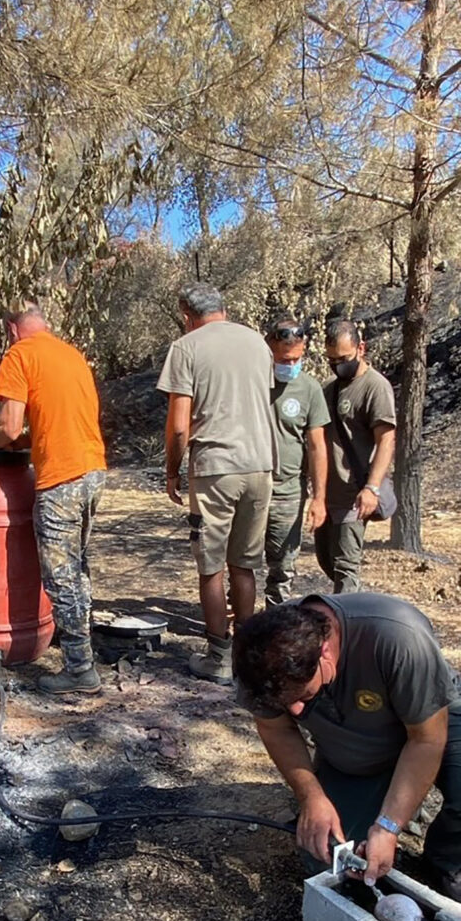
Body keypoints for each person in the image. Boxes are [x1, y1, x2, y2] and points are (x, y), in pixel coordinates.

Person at [230, 594, 461, 918]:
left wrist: (387, 826)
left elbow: (426, 740)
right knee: (328, 858)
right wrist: (311, 796)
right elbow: (276, 730)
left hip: (431, 720)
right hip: (354, 742)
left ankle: (450, 861)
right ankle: (379, 792)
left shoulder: (397, 638)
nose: (296, 710)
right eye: (287, 703)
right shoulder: (258, 659)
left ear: (325, 651)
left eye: (304, 696)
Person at [0, 299, 108, 693]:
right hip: (92, 469)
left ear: (11, 328)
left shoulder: (20, 354)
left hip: (60, 478)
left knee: (60, 575)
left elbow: (8, 428)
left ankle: (80, 669)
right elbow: (55, 420)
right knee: (76, 568)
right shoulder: (71, 355)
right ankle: (81, 649)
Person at [158, 283, 276, 684]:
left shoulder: (187, 347)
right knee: (244, 564)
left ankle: (219, 657)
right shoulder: (259, 343)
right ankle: (247, 653)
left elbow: (178, 427)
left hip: (215, 467)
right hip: (261, 465)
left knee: (211, 567)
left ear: (187, 314)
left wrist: (173, 470)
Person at [314, 319, 396, 596]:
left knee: (346, 569)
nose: (338, 365)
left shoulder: (375, 387)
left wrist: (371, 488)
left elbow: (386, 440)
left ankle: (349, 628)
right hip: (328, 495)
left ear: (361, 348)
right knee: (327, 560)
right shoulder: (328, 388)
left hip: (354, 495)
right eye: (331, 360)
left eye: (344, 358)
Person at [263, 320, 330, 607]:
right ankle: (239, 622)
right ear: (270, 349)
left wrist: (319, 498)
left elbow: (317, 446)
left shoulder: (309, 389)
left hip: (288, 492)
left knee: (282, 566)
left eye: (296, 359)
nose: (290, 364)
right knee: (240, 560)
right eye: (283, 359)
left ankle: (276, 620)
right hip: (251, 486)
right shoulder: (254, 382)